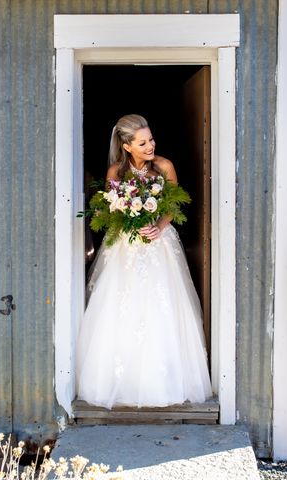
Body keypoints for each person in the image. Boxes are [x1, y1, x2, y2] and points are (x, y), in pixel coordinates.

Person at [75, 114, 212, 408]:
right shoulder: (115, 171)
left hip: (158, 244)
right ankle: (122, 382)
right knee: (122, 306)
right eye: (142, 142)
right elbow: (109, 209)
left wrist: (159, 227)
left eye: (151, 139)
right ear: (127, 146)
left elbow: (174, 204)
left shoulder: (164, 167)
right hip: (125, 245)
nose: (150, 145)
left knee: (160, 307)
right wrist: (127, 222)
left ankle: (164, 381)